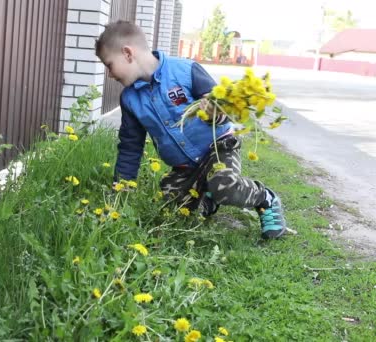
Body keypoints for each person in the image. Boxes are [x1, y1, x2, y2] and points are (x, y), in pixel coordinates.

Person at [94, 20, 286, 239]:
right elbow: (130, 147)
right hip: (185, 166)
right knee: (172, 208)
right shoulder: (129, 99)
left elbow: (221, 105)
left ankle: (264, 198)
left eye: (109, 65)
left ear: (128, 53)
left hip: (218, 148)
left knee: (224, 184)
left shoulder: (185, 70)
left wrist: (217, 110)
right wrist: (121, 187)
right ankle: (208, 198)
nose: (109, 74)